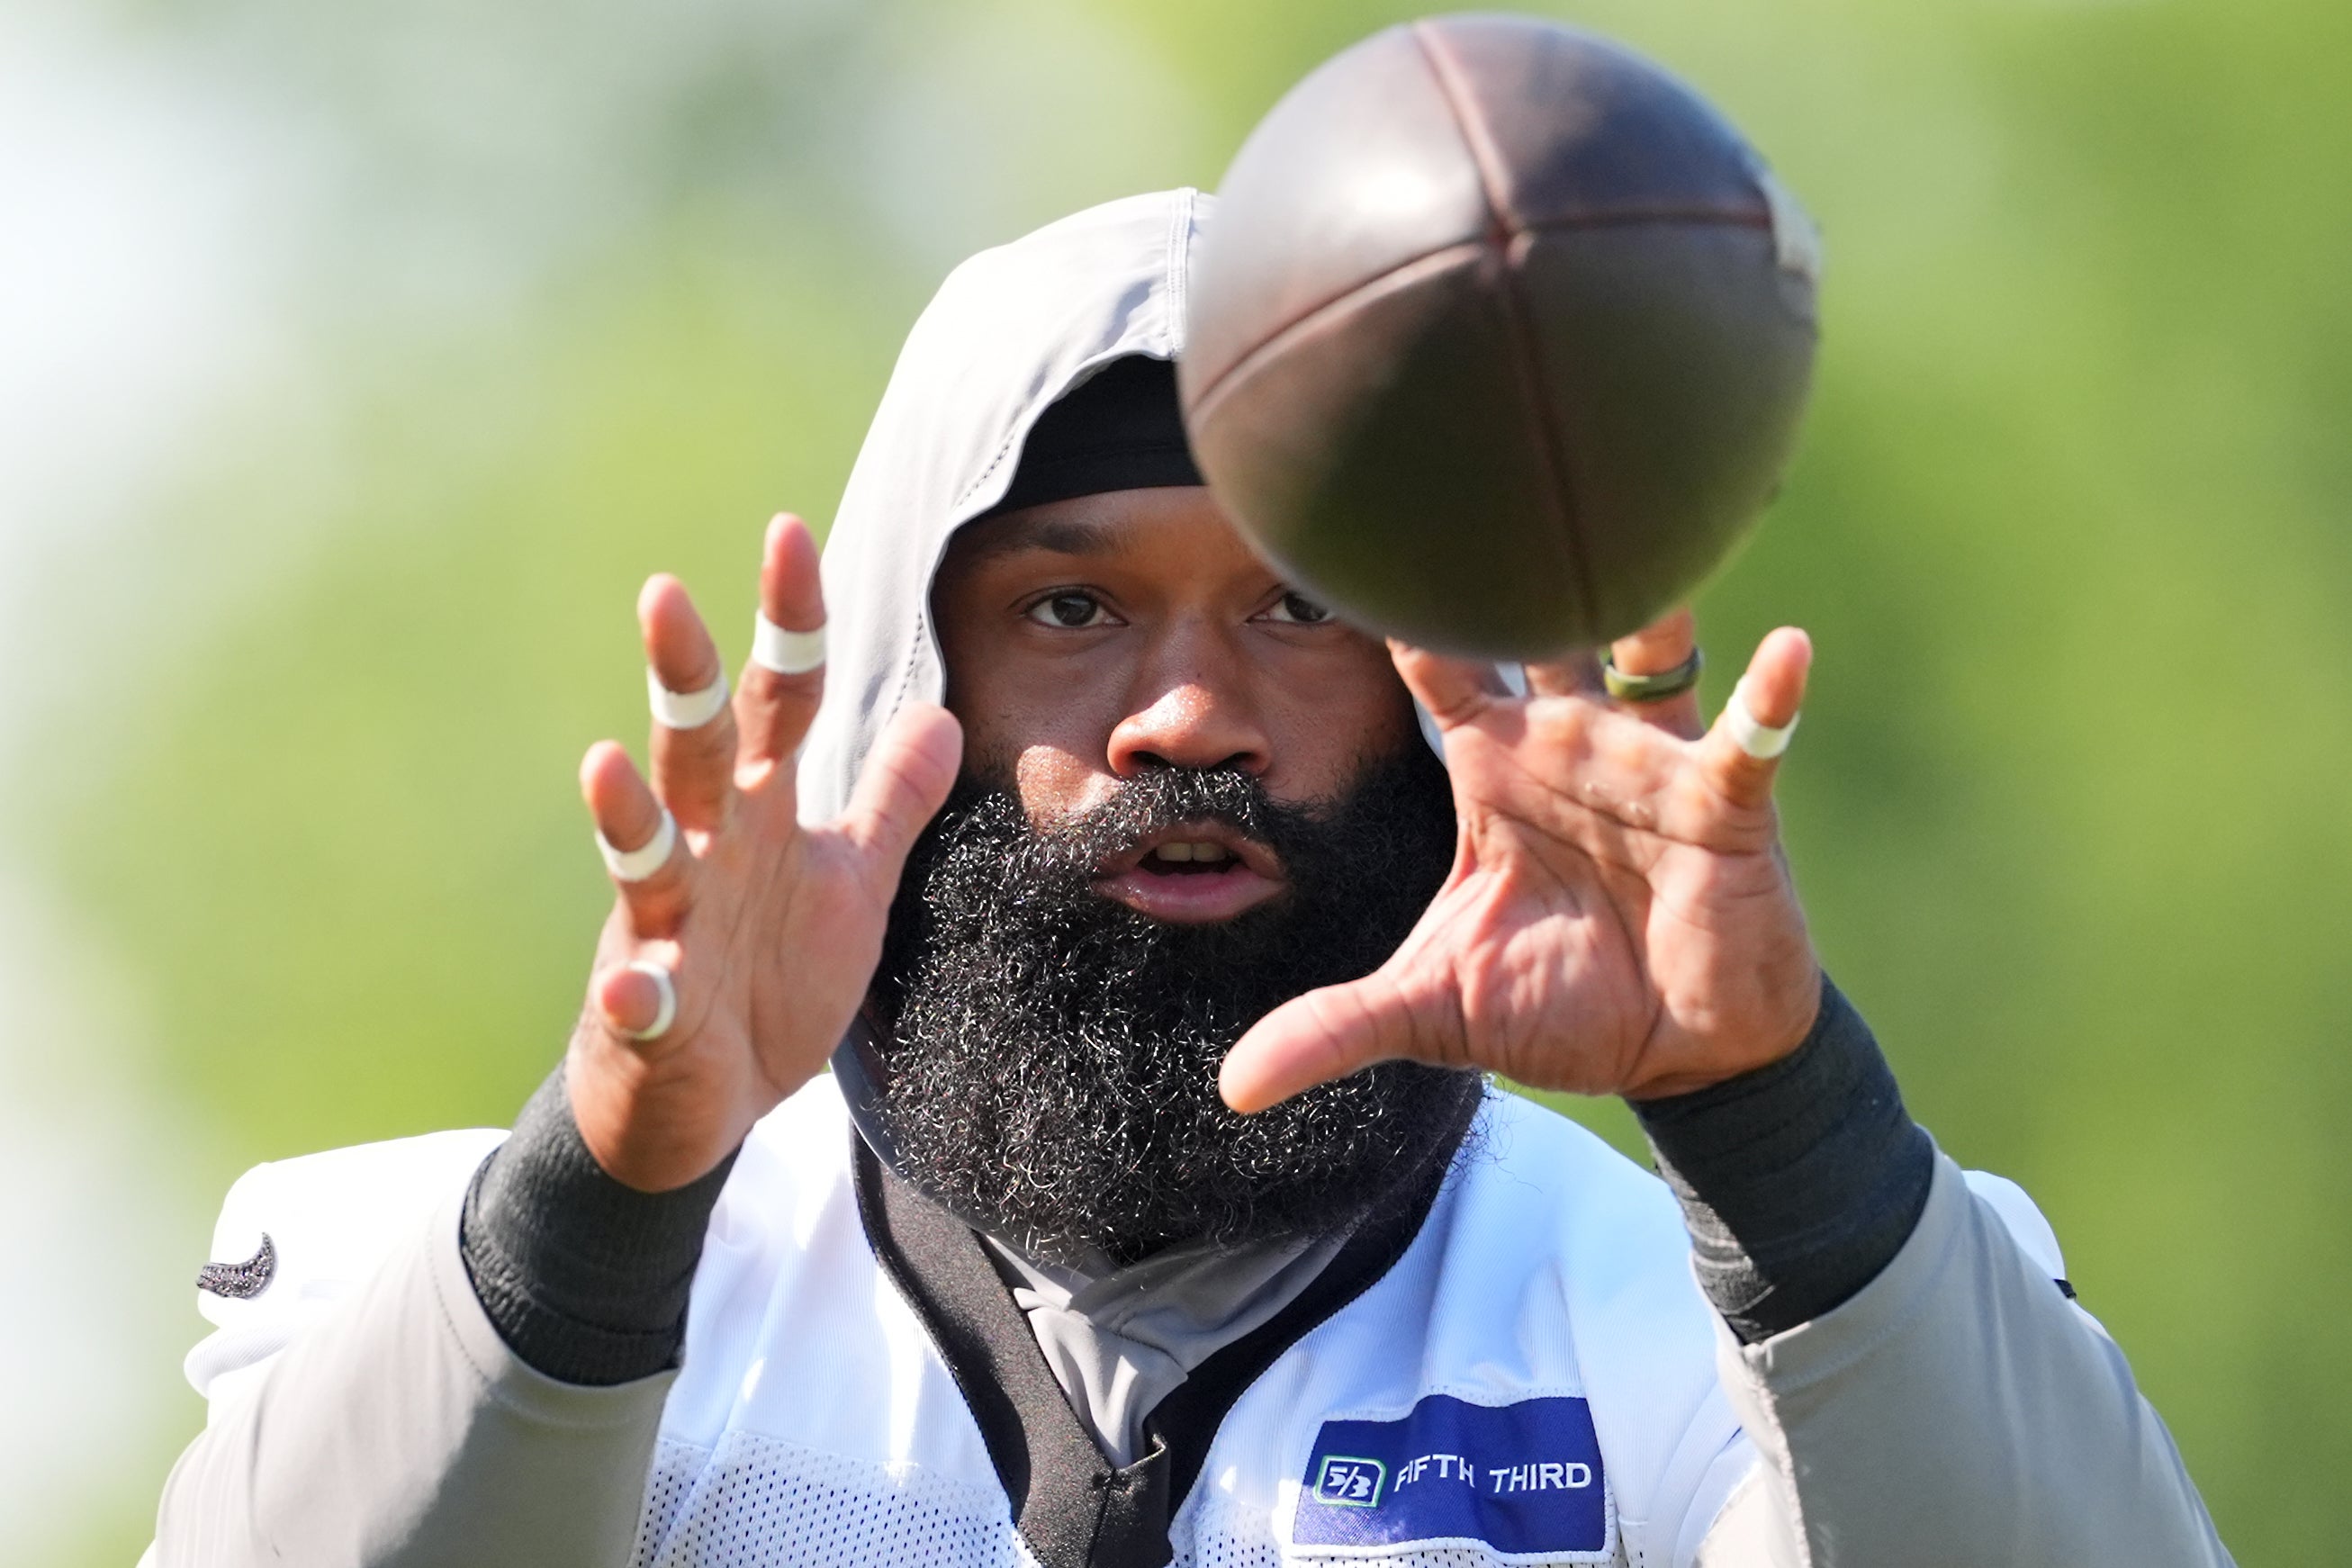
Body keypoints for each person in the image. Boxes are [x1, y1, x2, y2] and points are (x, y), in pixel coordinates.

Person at [149, 190, 2230, 1568]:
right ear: (906, 685)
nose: (1182, 718)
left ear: (1438, 680)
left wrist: (1773, 1115)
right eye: (1068, 608)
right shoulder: (507, 1291)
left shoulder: (1687, 1332)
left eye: (1303, 605)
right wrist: (606, 1193)